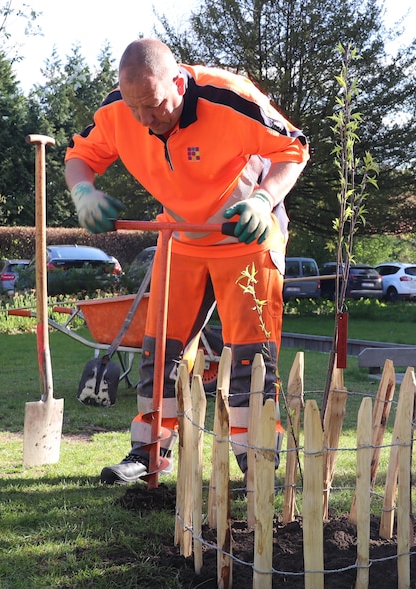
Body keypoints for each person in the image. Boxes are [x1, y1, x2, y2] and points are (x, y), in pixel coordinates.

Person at [64, 38, 309, 484]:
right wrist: (83, 192)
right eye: (135, 109)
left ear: (178, 83)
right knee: (161, 351)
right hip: (180, 238)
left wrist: (263, 199)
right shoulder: (118, 112)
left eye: (153, 105)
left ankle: (256, 462)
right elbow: (79, 156)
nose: (145, 120)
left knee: (251, 357)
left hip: (246, 238)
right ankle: (149, 452)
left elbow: (293, 148)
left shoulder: (230, 98)